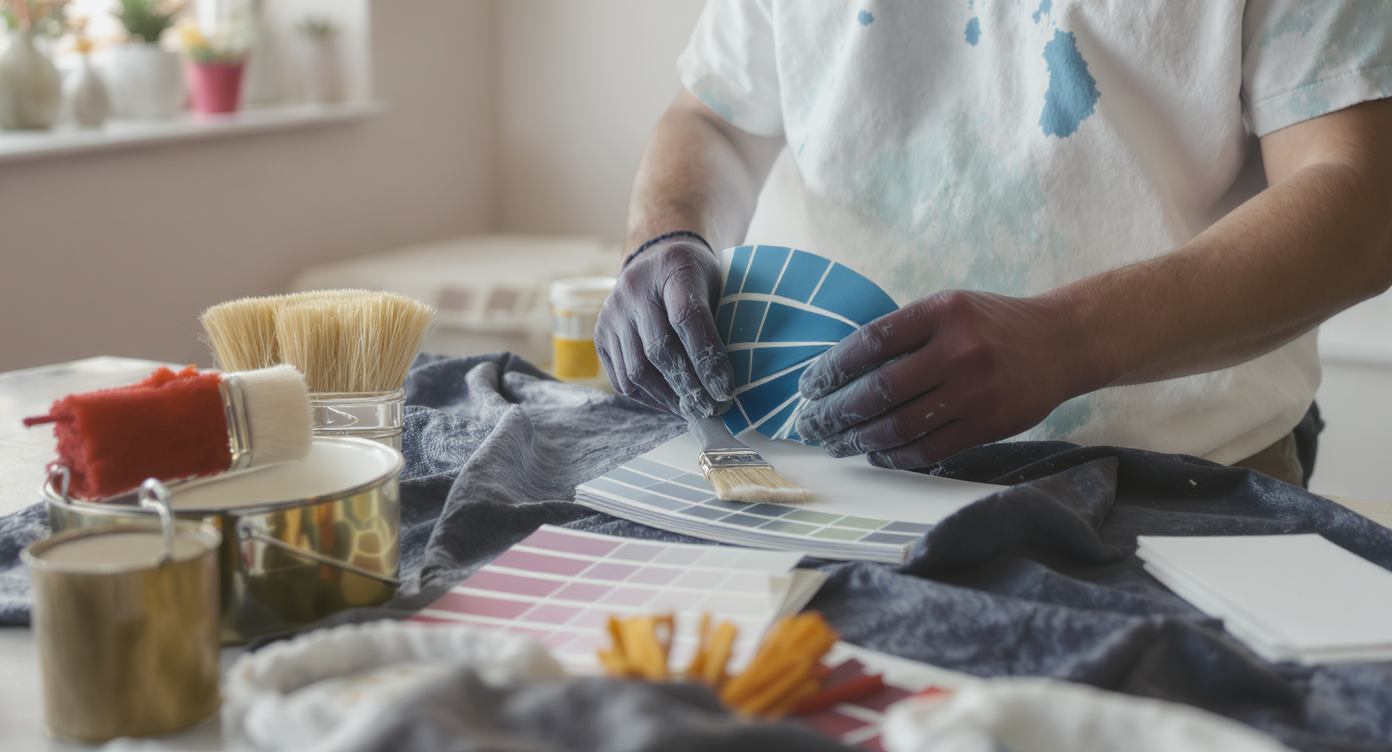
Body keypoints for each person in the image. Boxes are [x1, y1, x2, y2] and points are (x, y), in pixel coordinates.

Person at [595, 0, 1392, 487]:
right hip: (831, 473)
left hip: (1179, 477)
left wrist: (1068, 340)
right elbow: (712, 117)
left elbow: (1361, 201)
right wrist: (666, 236)